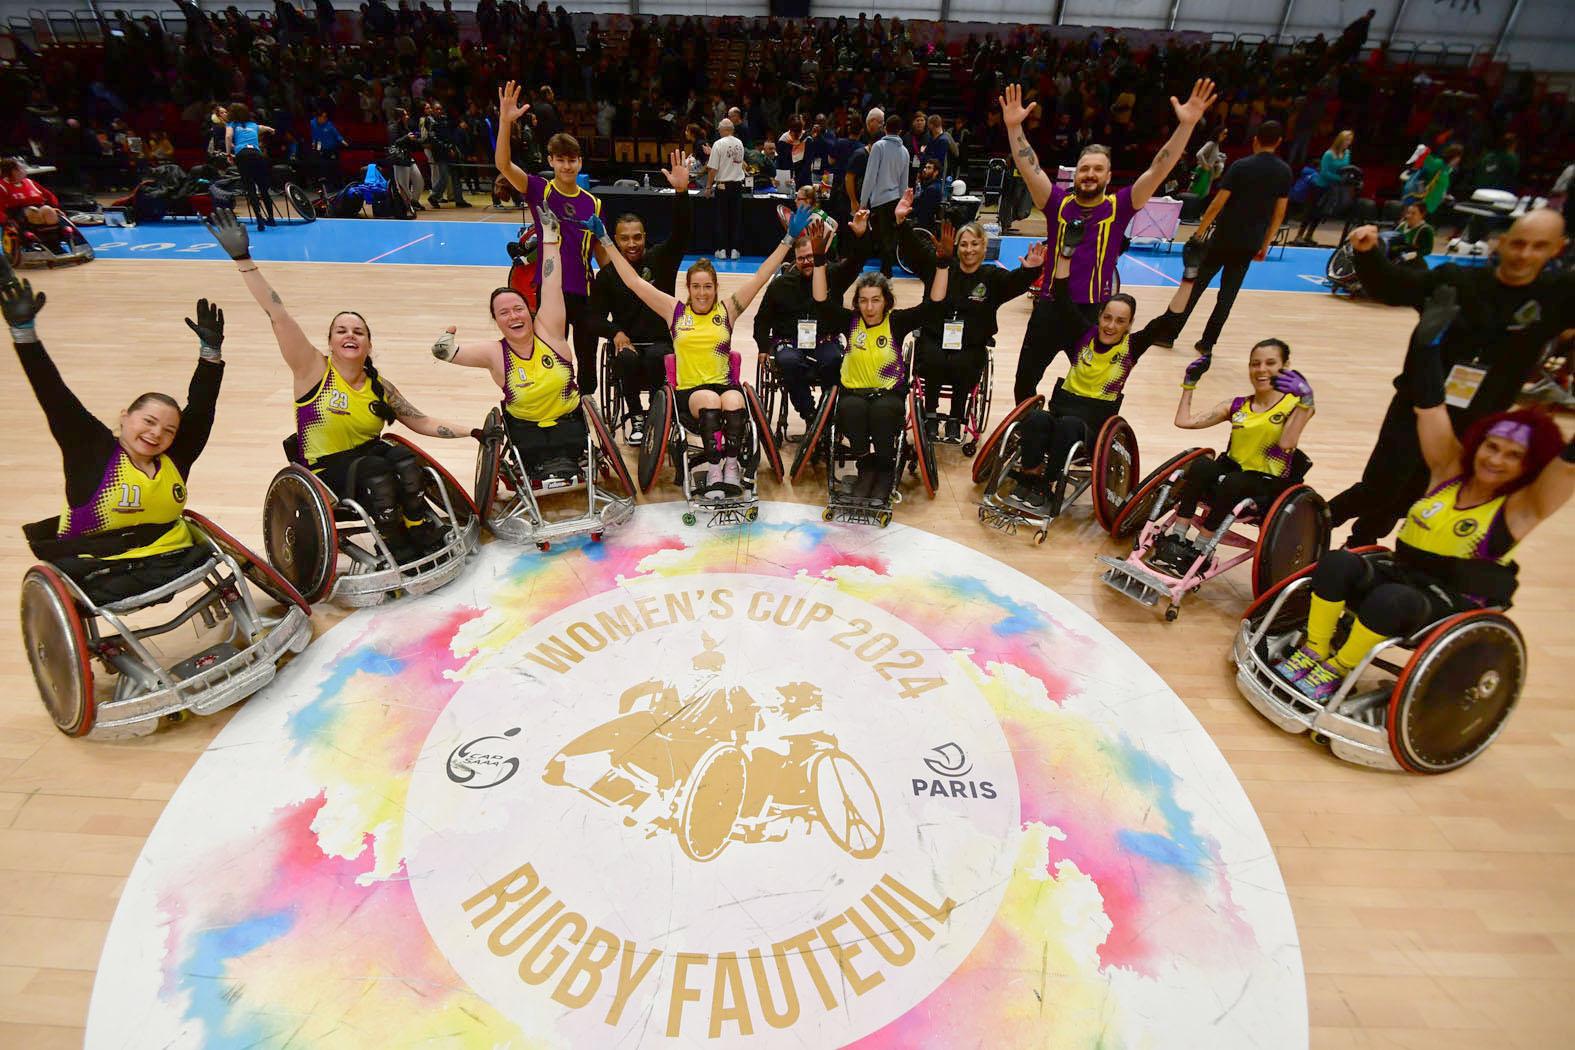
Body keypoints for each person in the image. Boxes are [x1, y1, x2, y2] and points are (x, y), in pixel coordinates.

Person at [1274, 302, 1573, 701]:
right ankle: (1315, 648)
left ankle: (1339, 668)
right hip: (1402, 577)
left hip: (1448, 603)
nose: (1496, 459)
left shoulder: (1522, 507)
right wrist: (1427, 347)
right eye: (1491, 447)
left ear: (1528, 466)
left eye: (1512, 455)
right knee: (1336, 562)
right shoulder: (1448, 473)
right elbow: (1429, 406)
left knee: (1388, 599)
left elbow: (1567, 468)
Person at [203, 208, 476, 560]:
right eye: (341, 331)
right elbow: (278, 315)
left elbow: (420, 421)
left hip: (367, 459)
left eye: (358, 331)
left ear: (368, 344)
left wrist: (472, 431)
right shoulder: (311, 370)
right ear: (330, 342)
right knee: (377, 469)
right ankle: (393, 541)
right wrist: (244, 260)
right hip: (325, 469)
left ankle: (415, 522)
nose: (350, 335)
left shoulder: (380, 386)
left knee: (405, 458)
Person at [1328, 210, 1573, 546]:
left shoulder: (1557, 296)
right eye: (1517, 243)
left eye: (1538, 246)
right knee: (1381, 486)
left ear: (1557, 249)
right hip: (1418, 406)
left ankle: (1359, 546)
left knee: (1417, 494)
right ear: (1501, 243)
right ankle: (1317, 518)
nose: (1524, 254)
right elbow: (1394, 287)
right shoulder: (1456, 280)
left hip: (1477, 418)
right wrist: (1367, 253)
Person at [5, 269, 225, 603]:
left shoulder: (175, 459)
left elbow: (202, 406)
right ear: (125, 416)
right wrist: (24, 334)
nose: (156, 434)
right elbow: (54, 395)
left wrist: (210, 353)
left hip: (167, 557)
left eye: (168, 430)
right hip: (98, 567)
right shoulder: (90, 449)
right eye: (148, 421)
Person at [999, 78, 1218, 403]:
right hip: (1049, 309)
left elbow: (1159, 169)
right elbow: (1028, 166)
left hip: (1091, 315)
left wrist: (1185, 126)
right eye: (1084, 168)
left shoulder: (1119, 207)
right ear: (1075, 175)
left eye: (1097, 169)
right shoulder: (1055, 203)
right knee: (1024, 385)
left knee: (1094, 391)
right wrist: (1015, 127)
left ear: (1108, 177)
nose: (1089, 174)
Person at [588, 206, 815, 494]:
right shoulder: (675, 311)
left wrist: (788, 241)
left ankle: (731, 467)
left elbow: (760, 277)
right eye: (696, 287)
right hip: (691, 391)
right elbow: (633, 282)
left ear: (715, 288)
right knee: (710, 399)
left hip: (724, 385)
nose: (702, 292)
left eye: (708, 286)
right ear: (688, 289)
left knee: (733, 401)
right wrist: (606, 241)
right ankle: (714, 468)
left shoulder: (728, 310)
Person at [1005, 228, 1204, 515]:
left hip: (1092, 425)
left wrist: (1189, 277)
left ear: (1129, 325)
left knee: (1069, 425)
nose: (1111, 325)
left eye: (1120, 321)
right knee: (1035, 417)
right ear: (1099, 316)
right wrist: (1065, 253)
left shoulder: (1132, 347)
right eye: (1107, 317)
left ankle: (1048, 483)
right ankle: (1030, 476)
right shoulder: (1083, 334)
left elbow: (1170, 319)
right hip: (1063, 409)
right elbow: (1061, 296)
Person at [1147, 336, 1317, 575]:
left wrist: (1306, 401)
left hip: (1267, 482)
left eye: (1270, 363)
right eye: (1255, 363)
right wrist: (1189, 384)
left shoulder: (1296, 406)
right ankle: (1178, 536)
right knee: (1202, 466)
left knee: (1234, 483)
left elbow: (1287, 443)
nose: (1261, 370)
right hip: (1234, 472)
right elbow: (1183, 421)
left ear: (1285, 367)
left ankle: (1200, 548)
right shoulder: (1237, 406)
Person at [432, 214, 583, 479]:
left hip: (568, 422)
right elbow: (451, 353)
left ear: (530, 311)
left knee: (569, 440)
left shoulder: (550, 333)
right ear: (496, 320)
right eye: (504, 313)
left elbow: (551, 283)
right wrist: (443, 348)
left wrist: (549, 238)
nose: (513, 316)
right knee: (533, 446)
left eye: (518, 309)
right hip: (526, 430)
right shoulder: (494, 353)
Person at [809, 216, 949, 499]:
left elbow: (934, 306)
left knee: (883, 413)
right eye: (863, 300)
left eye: (875, 300)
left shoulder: (896, 322)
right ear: (857, 302)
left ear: (886, 301)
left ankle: (884, 468)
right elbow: (821, 301)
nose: (869, 306)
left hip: (888, 393)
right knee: (851, 411)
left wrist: (943, 265)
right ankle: (866, 466)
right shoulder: (850, 322)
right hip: (854, 392)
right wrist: (820, 259)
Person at [895, 190, 1044, 439]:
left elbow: (1015, 282)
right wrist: (902, 223)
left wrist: (1030, 271)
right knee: (933, 359)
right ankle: (929, 415)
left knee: (963, 363)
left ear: (984, 247)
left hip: (970, 344)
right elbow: (915, 251)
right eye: (963, 244)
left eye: (974, 244)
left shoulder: (991, 278)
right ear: (956, 247)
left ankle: (956, 418)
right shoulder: (941, 266)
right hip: (934, 337)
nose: (969, 249)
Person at [495, 81, 604, 397]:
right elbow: (503, 164)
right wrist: (505, 122)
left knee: (587, 361)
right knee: (553, 358)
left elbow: (601, 252)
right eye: (561, 159)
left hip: (584, 292)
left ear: (579, 162)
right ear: (551, 161)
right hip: (551, 291)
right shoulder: (539, 190)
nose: (567, 165)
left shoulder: (593, 203)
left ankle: (586, 412)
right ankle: (557, 406)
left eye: (573, 159)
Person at [588, 150, 693, 444]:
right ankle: (636, 416)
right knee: (627, 360)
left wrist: (681, 192)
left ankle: (661, 414)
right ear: (615, 239)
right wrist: (615, 332)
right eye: (624, 238)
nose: (632, 244)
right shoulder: (607, 276)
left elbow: (683, 233)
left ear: (645, 237)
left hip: (662, 340)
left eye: (637, 237)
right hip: (630, 344)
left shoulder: (660, 259)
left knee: (660, 356)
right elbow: (592, 318)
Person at [1168, 120, 1293, 354]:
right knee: (1228, 295)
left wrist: (1199, 232)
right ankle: (1207, 343)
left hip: (1224, 237)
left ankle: (1169, 334)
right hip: (1250, 242)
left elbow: (1217, 203)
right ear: (1278, 142)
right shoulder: (1284, 172)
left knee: (1196, 286)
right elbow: (1279, 214)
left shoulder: (1241, 166)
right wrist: (1264, 245)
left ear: (1255, 140)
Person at [752, 212, 871, 437]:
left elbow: (857, 261)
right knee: (788, 361)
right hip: (789, 342)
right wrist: (762, 346)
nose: (806, 262)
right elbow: (762, 319)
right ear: (795, 259)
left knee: (835, 360)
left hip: (824, 340)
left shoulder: (833, 275)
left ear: (820, 253)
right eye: (801, 258)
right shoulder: (781, 284)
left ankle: (828, 415)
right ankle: (811, 415)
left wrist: (861, 236)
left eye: (810, 256)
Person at [859, 113, 909, 278]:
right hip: (896, 200)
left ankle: (885, 273)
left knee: (880, 238)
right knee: (889, 237)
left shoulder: (878, 146)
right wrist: (903, 203)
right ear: (900, 131)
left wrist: (863, 202)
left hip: (880, 200)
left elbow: (870, 176)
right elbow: (904, 181)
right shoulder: (905, 152)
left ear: (885, 128)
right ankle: (886, 271)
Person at [1293, 129, 1355, 244]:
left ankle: (1309, 236)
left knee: (1320, 212)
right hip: (1319, 186)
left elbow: (1345, 168)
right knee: (1310, 211)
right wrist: (1340, 179)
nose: (1348, 143)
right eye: (1346, 140)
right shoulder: (1328, 154)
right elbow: (1324, 172)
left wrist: (1347, 177)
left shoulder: (1347, 153)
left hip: (1333, 188)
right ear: (1340, 140)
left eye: (1350, 140)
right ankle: (1299, 235)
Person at [225, 102, 277, 230]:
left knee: (250, 188)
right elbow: (265, 128)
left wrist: (228, 154)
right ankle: (271, 218)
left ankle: (259, 219)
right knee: (263, 188)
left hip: (243, 156)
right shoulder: (253, 125)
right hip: (256, 155)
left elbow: (228, 137)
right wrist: (271, 130)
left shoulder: (231, 125)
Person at [706, 118, 747, 261]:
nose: (718, 131)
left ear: (724, 129)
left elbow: (713, 169)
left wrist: (708, 186)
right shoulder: (740, 143)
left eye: (719, 129)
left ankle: (722, 250)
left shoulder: (718, 144)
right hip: (737, 185)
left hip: (723, 185)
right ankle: (735, 250)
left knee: (722, 218)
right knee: (736, 218)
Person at [0, 158, 61, 229]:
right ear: (12, 171)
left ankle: (53, 234)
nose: (25, 170)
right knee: (33, 210)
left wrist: (55, 207)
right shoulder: (2, 187)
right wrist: (6, 221)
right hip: (19, 214)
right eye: (21, 168)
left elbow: (49, 196)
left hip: (39, 208)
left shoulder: (30, 182)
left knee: (47, 209)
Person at [1405, 143, 1463, 218]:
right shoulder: (1438, 164)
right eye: (1458, 157)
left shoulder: (1448, 170)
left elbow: (1442, 186)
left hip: (1434, 206)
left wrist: (1446, 196)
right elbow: (1428, 163)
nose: (1459, 160)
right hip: (1424, 204)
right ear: (1453, 156)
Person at [1389, 200, 1435, 266]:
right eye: (1408, 213)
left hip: (1414, 263)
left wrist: (1412, 255)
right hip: (1396, 259)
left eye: (1413, 213)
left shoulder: (1425, 230)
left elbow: (1427, 250)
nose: (1409, 216)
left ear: (1422, 215)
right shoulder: (1402, 225)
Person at [309, 109, 346, 187]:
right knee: (321, 166)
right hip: (320, 147)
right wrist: (314, 142)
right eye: (323, 117)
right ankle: (322, 185)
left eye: (326, 117)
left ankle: (337, 185)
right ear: (318, 117)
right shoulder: (312, 123)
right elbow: (314, 134)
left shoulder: (329, 124)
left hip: (331, 148)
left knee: (333, 166)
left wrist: (342, 140)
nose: (325, 118)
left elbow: (336, 134)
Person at [1189, 126, 1228, 196]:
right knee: (1195, 195)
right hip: (1202, 171)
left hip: (1208, 173)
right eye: (1223, 133)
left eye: (1226, 134)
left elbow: (1212, 160)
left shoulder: (1216, 145)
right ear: (1218, 133)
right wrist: (1205, 165)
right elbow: (1199, 154)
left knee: (1202, 195)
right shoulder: (1211, 143)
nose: (1225, 136)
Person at [910, 159, 944, 233]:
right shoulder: (930, 185)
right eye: (925, 167)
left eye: (929, 168)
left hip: (923, 227)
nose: (925, 170)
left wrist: (909, 210)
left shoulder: (932, 189)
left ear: (936, 172)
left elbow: (924, 214)